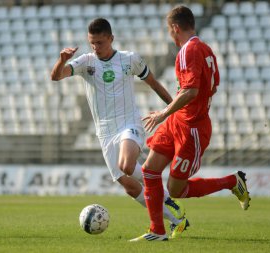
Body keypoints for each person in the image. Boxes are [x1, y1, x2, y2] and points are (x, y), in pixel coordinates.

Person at [50, 18, 189, 237]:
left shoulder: (129, 59)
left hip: (128, 124)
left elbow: (154, 84)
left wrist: (172, 109)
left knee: (126, 165)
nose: (95, 47)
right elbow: (56, 77)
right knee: (130, 187)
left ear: (111, 39)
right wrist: (62, 60)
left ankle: (165, 196)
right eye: (92, 43)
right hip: (104, 133)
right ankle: (176, 220)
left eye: (100, 42)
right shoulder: (86, 62)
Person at [130, 6, 251, 242]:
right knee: (149, 171)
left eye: (169, 31)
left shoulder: (189, 50)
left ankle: (231, 182)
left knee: (176, 190)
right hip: (179, 120)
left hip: (192, 128)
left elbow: (192, 90)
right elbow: (211, 86)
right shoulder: (206, 50)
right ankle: (157, 231)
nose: (170, 36)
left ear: (175, 28)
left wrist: (164, 112)